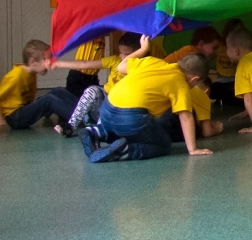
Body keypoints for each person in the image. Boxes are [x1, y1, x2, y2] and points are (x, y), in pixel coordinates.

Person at [79, 36, 214, 162]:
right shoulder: (181, 84)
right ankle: (125, 151)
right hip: (130, 117)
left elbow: (120, 67)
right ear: (194, 79)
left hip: (106, 109)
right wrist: (193, 149)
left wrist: (142, 50)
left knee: (130, 131)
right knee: (163, 144)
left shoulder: (152, 61)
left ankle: (96, 132)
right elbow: (186, 117)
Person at [54, 32, 144, 136]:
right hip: (103, 104)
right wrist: (58, 64)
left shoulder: (141, 67)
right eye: (120, 53)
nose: (122, 57)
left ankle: (99, 131)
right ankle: (70, 126)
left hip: (119, 110)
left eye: (127, 54)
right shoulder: (115, 60)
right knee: (92, 89)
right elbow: (85, 64)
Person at [0, 40, 78, 129]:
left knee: (58, 91)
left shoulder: (31, 72)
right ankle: (79, 119)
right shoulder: (15, 76)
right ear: (32, 62)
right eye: (45, 59)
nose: (49, 62)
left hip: (25, 108)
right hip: (15, 117)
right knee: (49, 100)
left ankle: (83, 110)